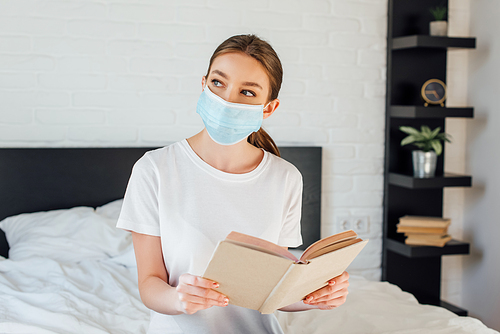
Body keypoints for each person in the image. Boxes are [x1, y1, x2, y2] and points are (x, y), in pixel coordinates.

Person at [116, 34, 350, 334]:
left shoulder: (285, 178)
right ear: (203, 84)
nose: (227, 99)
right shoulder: (155, 169)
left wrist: (316, 295)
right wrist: (178, 298)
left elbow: (271, 291)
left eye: (247, 92)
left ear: (268, 108)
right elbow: (149, 284)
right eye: (218, 83)